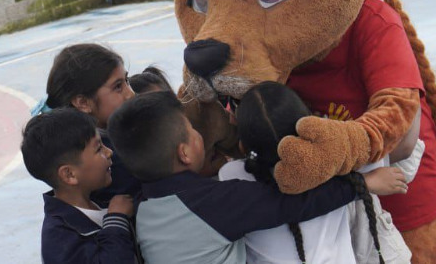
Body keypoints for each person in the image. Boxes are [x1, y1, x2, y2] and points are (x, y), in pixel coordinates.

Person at [107, 91, 406, 264]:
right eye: (194, 131)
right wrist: (363, 184)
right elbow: (292, 203)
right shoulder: (214, 203)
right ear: (185, 153)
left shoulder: (145, 207)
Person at [219, 81, 411, 263]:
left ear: (244, 146)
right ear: (309, 120)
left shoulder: (230, 176)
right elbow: (407, 145)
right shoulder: (338, 167)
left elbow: (278, 201)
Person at [22, 108, 137, 263]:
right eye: (98, 149)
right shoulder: (59, 238)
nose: (109, 152)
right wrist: (116, 221)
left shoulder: (100, 200)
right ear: (70, 175)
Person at [33, 43, 140, 206]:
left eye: (127, 81)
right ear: (83, 102)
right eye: (118, 87)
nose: (130, 94)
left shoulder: (114, 136)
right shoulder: (107, 159)